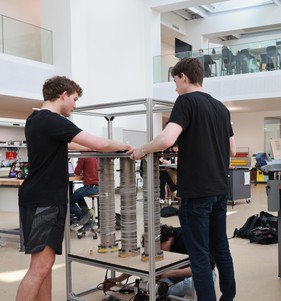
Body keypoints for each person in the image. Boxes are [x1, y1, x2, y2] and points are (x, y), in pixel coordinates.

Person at [129, 57, 236, 301]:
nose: (175, 87)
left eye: (175, 81)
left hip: (196, 192)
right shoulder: (221, 108)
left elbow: (167, 140)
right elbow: (232, 149)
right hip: (220, 190)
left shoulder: (185, 101)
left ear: (183, 77)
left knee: (198, 255)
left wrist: (144, 149)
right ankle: (228, 297)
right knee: (220, 247)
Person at [16, 76, 131, 301]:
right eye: (75, 99)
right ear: (63, 95)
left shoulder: (35, 119)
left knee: (44, 265)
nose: (75, 105)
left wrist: (106, 148)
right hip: (45, 200)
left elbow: (72, 143)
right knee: (40, 267)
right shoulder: (54, 121)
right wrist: (127, 147)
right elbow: (99, 143)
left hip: (37, 196)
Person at [105, 225, 216, 298]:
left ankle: (162, 293)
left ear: (168, 238)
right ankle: (161, 292)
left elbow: (202, 268)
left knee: (186, 286)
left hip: (204, 274)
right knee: (152, 284)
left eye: (158, 247)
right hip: (177, 274)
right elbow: (141, 266)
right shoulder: (163, 246)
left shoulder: (186, 238)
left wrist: (169, 273)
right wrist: (117, 279)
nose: (157, 251)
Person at [70, 157, 99, 227]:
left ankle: (83, 217)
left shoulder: (83, 155)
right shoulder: (96, 154)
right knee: (78, 195)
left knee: (69, 202)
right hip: (98, 186)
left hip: (90, 188)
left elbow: (77, 172)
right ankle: (86, 211)